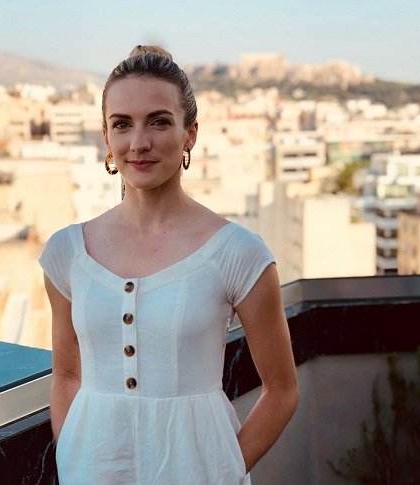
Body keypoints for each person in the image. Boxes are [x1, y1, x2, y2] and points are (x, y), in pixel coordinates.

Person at [39, 45, 298, 485]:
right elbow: (66, 375)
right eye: (122, 124)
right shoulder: (68, 252)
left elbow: (283, 390)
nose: (139, 142)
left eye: (158, 121)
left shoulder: (239, 253)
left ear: (190, 134)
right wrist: (73, 454)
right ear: (107, 137)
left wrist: (224, 470)